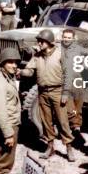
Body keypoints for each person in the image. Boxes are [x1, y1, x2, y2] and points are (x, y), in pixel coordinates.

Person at [23, 29, 75, 161]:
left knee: (62, 121)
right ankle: (50, 146)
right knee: (46, 121)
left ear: (49, 42)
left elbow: (69, 74)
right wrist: (21, 72)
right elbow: (29, 71)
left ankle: (68, 147)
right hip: (42, 92)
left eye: (42, 41)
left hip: (58, 91)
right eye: (38, 41)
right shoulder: (37, 56)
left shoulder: (60, 54)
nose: (39, 43)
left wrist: (66, 92)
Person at [60, 28, 88, 144]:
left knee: (78, 108)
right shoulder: (59, 49)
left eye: (69, 38)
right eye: (65, 37)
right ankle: (69, 131)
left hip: (78, 82)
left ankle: (77, 131)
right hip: (64, 83)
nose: (67, 40)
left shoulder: (78, 49)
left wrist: (84, 64)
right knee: (69, 109)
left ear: (73, 39)